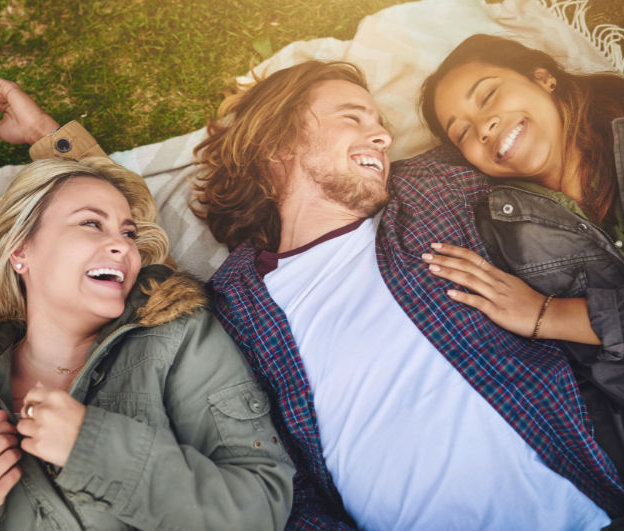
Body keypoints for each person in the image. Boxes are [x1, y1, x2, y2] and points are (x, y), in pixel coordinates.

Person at [192, 60, 624, 529]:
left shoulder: (430, 191)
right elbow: (273, 480)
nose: (382, 137)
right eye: (353, 118)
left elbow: (550, 140)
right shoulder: (233, 305)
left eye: (380, 124)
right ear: (276, 141)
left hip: (585, 506)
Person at [0, 156, 294, 529]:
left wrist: (94, 450)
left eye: (128, 233)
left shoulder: (178, 339)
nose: (124, 246)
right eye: (91, 224)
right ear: (20, 250)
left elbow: (260, 509)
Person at [419, 34, 624, 471]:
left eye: (488, 95)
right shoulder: (503, 231)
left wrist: (548, 315)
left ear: (543, 77)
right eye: (462, 132)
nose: (483, 127)